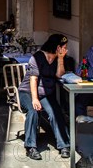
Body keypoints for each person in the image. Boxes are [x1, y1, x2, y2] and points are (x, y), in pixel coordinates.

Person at [18, 33, 70, 161]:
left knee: (55, 111)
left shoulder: (57, 58)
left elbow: (59, 75)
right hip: (28, 92)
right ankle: (31, 147)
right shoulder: (37, 58)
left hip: (45, 93)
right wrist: (35, 99)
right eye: (64, 47)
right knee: (33, 110)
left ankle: (64, 144)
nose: (66, 49)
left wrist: (61, 58)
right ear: (57, 47)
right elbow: (33, 80)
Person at [75, 45, 93, 117]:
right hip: (89, 89)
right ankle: (84, 127)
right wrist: (82, 73)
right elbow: (82, 66)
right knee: (78, 105)